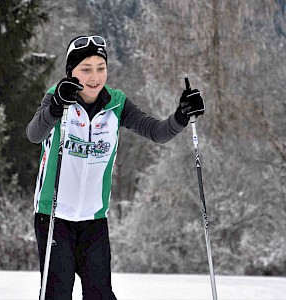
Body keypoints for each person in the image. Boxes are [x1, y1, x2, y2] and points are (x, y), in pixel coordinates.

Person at [26, 35, 204, 299]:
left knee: (100, 294)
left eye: (101, 67)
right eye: (86, 69)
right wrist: (55, 107)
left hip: (94, 220)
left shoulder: (117, 104)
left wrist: (181, 115)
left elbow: (157, 132)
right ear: (71, 72)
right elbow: (34, 134)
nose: (94, 76)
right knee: (56, 293)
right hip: (53, 217)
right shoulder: (56, 98)